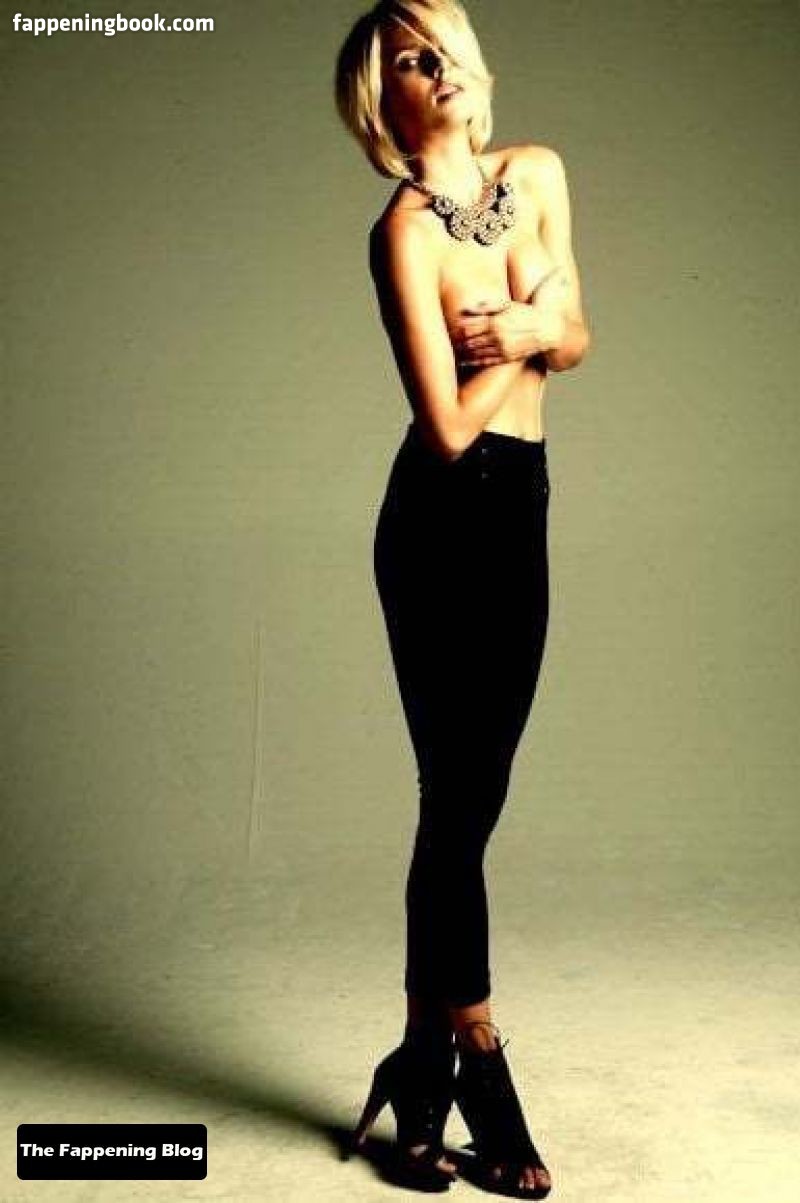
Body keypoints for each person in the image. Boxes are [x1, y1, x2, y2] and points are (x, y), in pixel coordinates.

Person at [334, 1, 590, 1196]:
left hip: (520, 502)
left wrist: (535, 328)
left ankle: (416, 1056)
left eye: (440, 47)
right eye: (407, 60)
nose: (432, 68)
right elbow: (440, 428)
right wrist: (527, 334)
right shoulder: (401, 235)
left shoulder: (534, 174)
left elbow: (577, 335)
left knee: (469, 800)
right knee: (455, 800)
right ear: (379, 101)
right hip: (438, 520)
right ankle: (475, 1048)